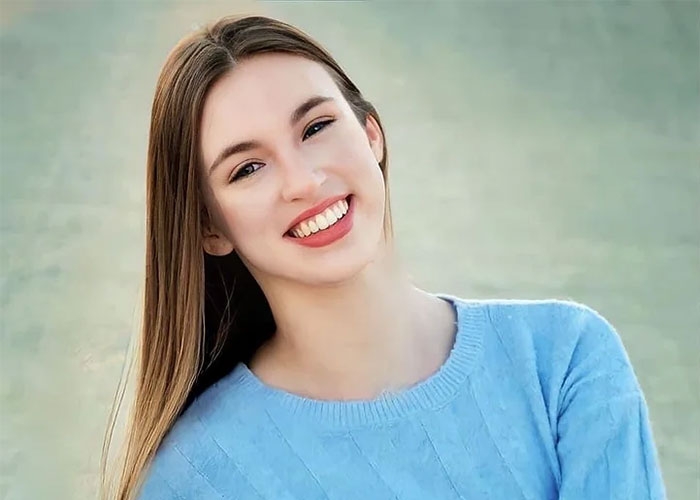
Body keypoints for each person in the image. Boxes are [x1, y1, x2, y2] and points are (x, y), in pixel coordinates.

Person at [101, 14, 666, 500]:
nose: (303, 181)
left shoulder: (563, 362)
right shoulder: (197, 475)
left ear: (371, 134)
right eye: (248, 168)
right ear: (208, 225)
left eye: (317, 127)